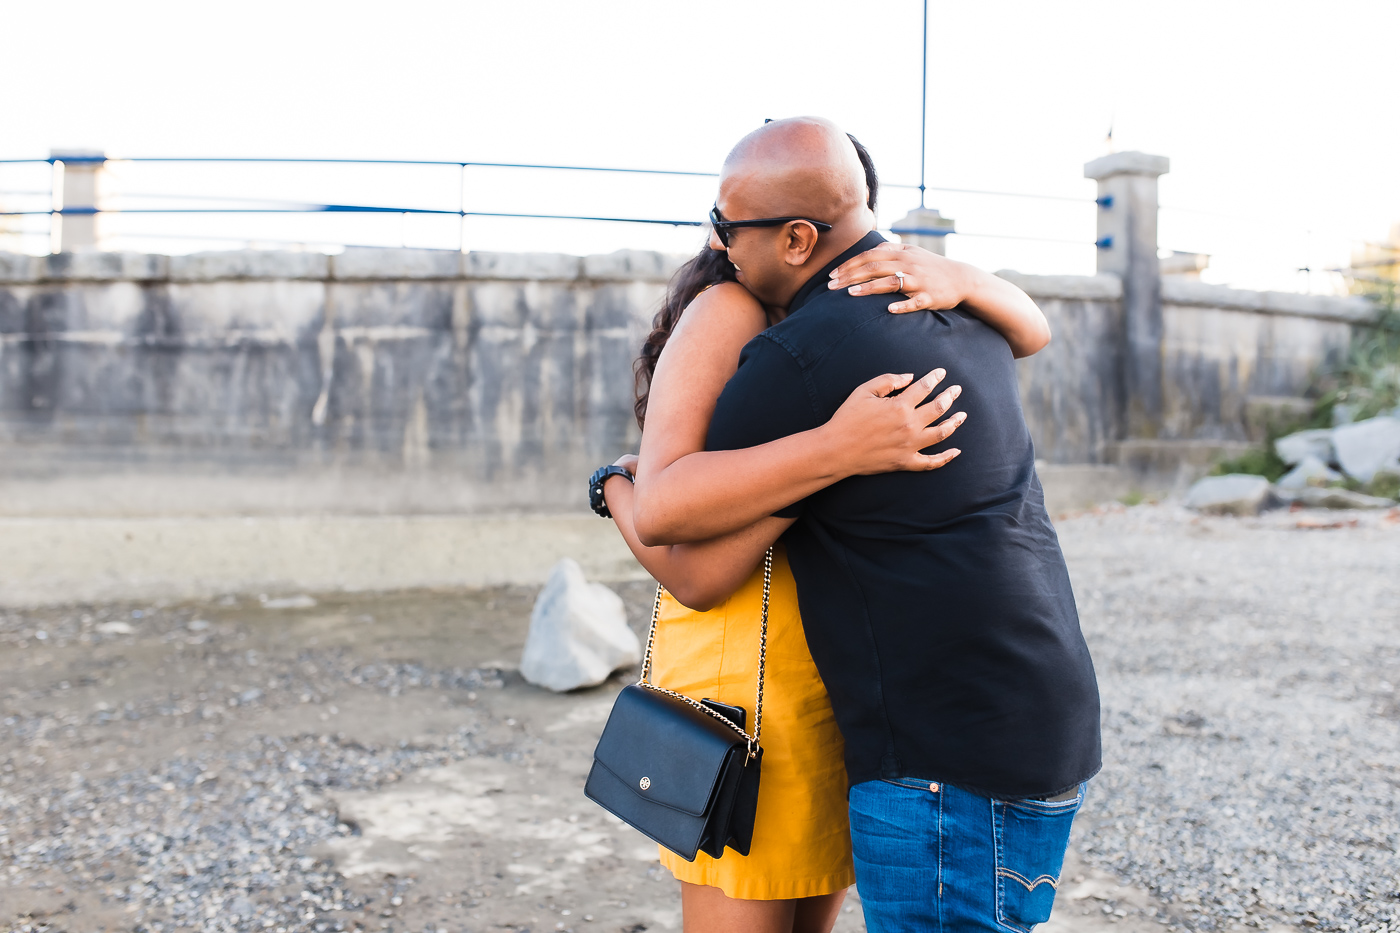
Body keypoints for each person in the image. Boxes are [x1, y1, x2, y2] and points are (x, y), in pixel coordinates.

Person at [593, 131, 1062, 933]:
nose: (713, 236)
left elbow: (1032, 328)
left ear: (802, 233)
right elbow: (687, 545)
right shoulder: (744, 310)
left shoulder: (845, 328)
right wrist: (617, 485)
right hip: (755, 666)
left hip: (810, 671)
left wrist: (962, 277)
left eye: (725, 219)